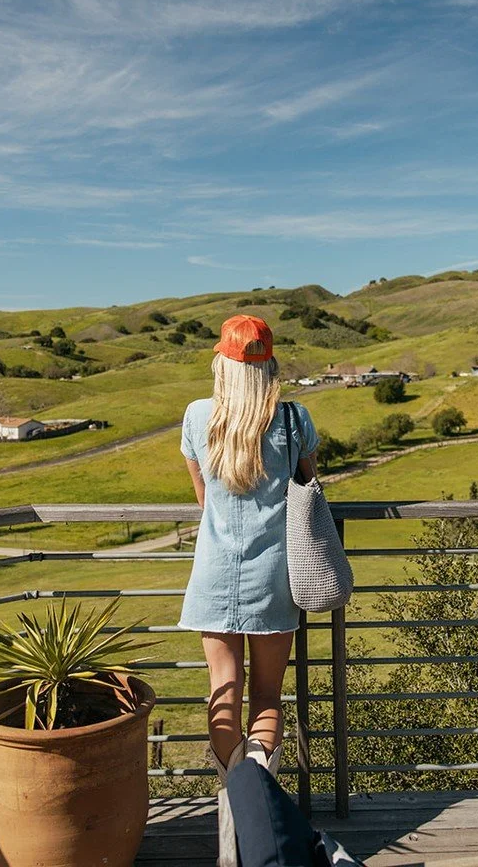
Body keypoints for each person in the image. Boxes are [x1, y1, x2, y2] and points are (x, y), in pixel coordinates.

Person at [178, 314, 319, 866]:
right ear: (269, 366)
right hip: (274, 578)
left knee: (223, 691)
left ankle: (235, 808)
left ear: (221, 362)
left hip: (213, 572)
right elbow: (307, 487)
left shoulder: (196, 417)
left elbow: (203, 499)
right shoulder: (293, 418)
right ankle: (259, 811)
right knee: (266, 697)